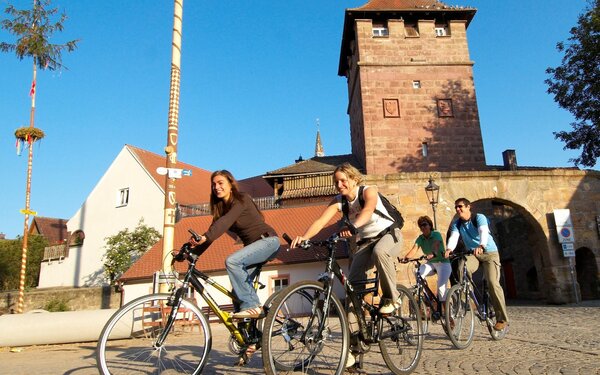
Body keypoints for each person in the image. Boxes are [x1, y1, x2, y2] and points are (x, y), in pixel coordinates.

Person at [291, 163, 403, 368]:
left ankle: (392, 298)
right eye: (336, 181)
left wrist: (353, 225)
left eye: (343, 180)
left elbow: (368, 209)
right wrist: (304, 237)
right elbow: (320, 221)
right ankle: (353, 347)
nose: (339, 184)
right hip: (365, 242)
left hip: (389, 235)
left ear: (354, 179)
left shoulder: (368, 190)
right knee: (352, 293)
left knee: (380, 252)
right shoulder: (339, 201)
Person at [189, 170, 280, 319]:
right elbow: (213, 232)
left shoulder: (241, 199)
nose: (216, 187)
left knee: (232, 261)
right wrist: (192, 252)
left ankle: (252, 305)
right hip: (252, 248)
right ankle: (250, 341)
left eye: (220, 183)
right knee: (238, 296)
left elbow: (224, 223)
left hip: (268, 241)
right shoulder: (221, 210)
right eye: (213, 184)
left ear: (231, 184)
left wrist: (205, 237)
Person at [444, 198, 509, 331]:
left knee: (492, 283)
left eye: (460, 206)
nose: (458, 209)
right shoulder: (457, 224)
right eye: (456, 207)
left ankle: (502, 318)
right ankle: (465, 295)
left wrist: (481, 245)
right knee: (462, 265)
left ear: (469, 207)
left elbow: (483, 232)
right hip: (473, 254)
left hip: (489, 252)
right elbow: (454, 237)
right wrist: (449, 249)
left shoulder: (479, 218)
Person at [402, 215, 451, 314]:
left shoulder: (436, 234)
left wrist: (433, 253)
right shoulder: (420, 238)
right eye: (421, 226)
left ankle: (448, 315)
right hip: (432, 264)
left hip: (443, 263)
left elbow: (436, 245)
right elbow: (414, 249)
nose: (423, 227)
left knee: (441, 289)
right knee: (418, 272)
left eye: (425, 225)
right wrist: (406, 258)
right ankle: (429, 296)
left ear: (430, 225)